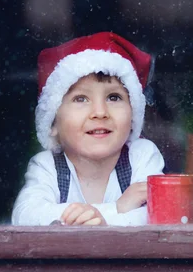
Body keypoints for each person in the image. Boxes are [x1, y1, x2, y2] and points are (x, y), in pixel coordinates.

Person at [12, 32, 165, 226]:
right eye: (81, 99)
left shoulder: (141, 156)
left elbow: (157, 216)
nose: (100, 112)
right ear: (52, 123)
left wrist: (89, 220)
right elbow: (25, 217)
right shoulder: (48, 166)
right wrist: (116, 209)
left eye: (113, 97)